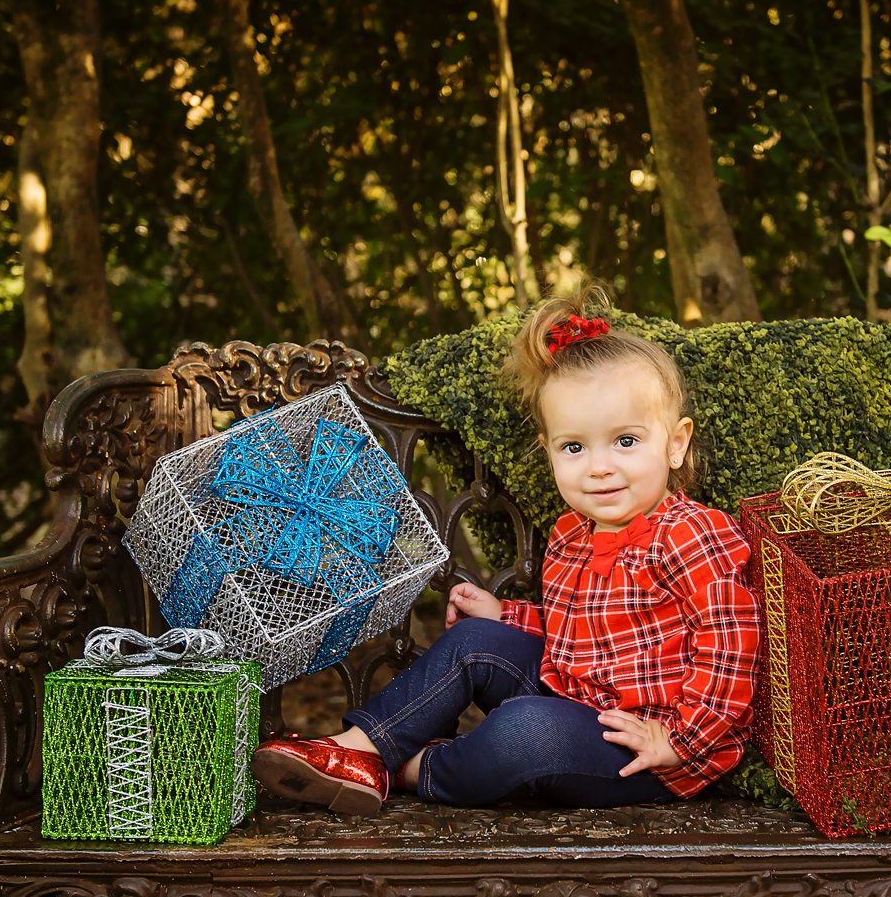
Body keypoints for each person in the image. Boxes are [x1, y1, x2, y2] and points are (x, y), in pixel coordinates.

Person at [252, 291, 762, 815]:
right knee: (475, 640)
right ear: (549, 451)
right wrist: (506, 616)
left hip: (648, 754)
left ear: (675, 443)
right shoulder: (571, 535)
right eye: (574, 447)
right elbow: (579, 633)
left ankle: (410, 770)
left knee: (523, 728)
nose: (600, 466)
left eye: (625, 442)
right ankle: (357, 752)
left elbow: (732, 642)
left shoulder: (692, 533)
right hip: (577, 703)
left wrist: (678, 740)